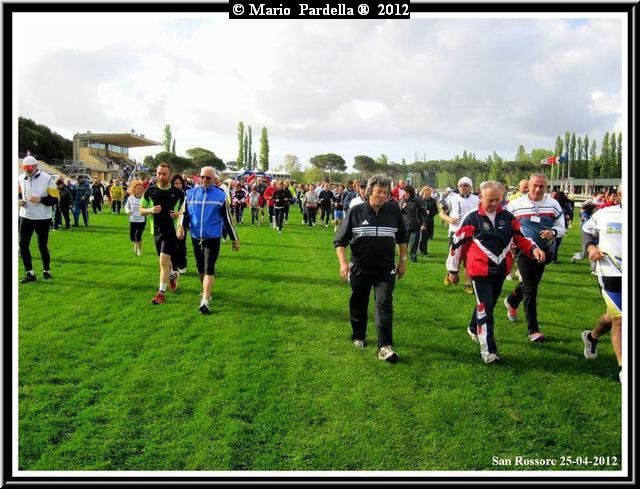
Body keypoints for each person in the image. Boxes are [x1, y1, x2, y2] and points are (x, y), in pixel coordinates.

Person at [446, 181, 545, 363]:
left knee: (488, 305)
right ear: (481, 197)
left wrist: (533, 249)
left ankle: (473, 328)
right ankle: (489, 352)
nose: (493, 203)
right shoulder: (472, 218)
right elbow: (457, 244)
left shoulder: (507, 217)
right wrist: (453, 270)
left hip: (500, 271)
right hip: (479, 271)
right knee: (486, 310)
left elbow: (520, 238)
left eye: (497, 200)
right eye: (489, 200)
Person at [334, 174, 408, 362]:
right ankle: (358, 335)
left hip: (385, 270)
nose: (382, 196)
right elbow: (340, 241)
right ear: (369, 192)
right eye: (379, 192)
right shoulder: (356, 211)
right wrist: (343, 263)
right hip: (360, 269)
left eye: (385, 192)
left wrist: (403, 260)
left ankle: (385, 346)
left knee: (384, 304)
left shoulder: (394, 211)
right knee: (358, 303)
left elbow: (402, 239)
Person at [504, 173, 566, 342]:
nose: (538, 189)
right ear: (528, 186)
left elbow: (561, 227)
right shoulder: (515, 205)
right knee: (531, 290)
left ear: (546, 187)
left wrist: (553, 232)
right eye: (535, 186)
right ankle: (533, 330)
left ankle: (511, 301)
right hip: (524, 252)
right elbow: (504, 224)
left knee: (529, 284)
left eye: (542, 186)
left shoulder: (553, 204)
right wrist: (511, 241)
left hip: (544, 251)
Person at [177, 166, 239, 314]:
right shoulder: (190, 194)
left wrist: (234, 239)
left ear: (214, 179)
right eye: (202, 177)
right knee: (200, 268)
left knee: (209, 268)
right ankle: (205, 291)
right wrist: (181, 227)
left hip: (213, 238)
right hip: (195, 237)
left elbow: (227, 220)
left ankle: (204, 302)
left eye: (208, 177)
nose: (204, 180)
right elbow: (184, 214)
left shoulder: (220, 196)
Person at [580, 185, 623, 382]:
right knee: (620, 319)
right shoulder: (605, 214)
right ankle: (624, 369)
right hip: (610, 272)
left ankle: (591, 337)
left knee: (613, 316)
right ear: (620, 195)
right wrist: (591, 248)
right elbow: (586, 230)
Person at [140, 163, 185, 305]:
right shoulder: (150, 190)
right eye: (159, 173)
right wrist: (150, 210)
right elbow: (141, 210)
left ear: (169, 175)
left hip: (171, 232)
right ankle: (172, 276)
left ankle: (161, 294)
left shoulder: (178, 193)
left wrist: (177, 214)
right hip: (156, 232)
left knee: (163, 262)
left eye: (164, 174)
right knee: (164, 261)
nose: (161, 176)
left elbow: (186, 212)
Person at [18, 156, 59, 283]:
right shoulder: (20, 178)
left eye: (29, 168)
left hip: (42, 218)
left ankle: (46, 270)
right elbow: (18, 194)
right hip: (25, 216)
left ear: (36, 166)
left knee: (42, 245)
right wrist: (18, 200)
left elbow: (55, 199)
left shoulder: (48, 178)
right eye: (25, 168)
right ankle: (30, 273)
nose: (27, 171)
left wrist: (40, 199)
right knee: (22, 245)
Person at [440, 177, 480, 293]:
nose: (463, 187)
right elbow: (442, 213)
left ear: (470, 187)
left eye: (465, 185)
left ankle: (468, 284)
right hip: (455, 232)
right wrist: (450, 219)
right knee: (454, 258)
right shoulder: (452, 198)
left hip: (471, 233)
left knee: (469, 258)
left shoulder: (476, 199)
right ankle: (449, 273)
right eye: (460, 185)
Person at [400, 185, 427, 263]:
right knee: (404, 243)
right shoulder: (403, 201)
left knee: (414, 243)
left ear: (408, 193)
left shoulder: (417, 201)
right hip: (405, 226)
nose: (404, 194)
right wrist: (402, 208)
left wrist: (424, 224)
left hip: (416, 226)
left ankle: (413, 259)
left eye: (405, 192)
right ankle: (402, 258)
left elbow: (424, 213)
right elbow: (400, 213)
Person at [171, 174, 188, 273]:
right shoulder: (169, 195)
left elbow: (186, 211)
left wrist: (177, 214)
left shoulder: (185, 195)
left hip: (182, 224)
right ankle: (173, 266)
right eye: (176, 183)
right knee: (172, 246)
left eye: (180, 183)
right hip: (170, 224)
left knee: (181, 245)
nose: (178, 185)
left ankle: (182, 266)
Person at [124, 179, 146, 256]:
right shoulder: (130, 198)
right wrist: (128, 211)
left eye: (140, 188)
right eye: (137, 188)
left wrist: (147, 211)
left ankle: (139, 249)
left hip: (142, 220)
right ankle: (135, 244)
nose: (139, 190)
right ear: (134, 189)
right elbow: (126, 207)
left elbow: (148, 207)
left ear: (142, 189)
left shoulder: (144, 198)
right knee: (132, 237)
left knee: (138, 236)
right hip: (133, 220)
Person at [419, 186, 438, 256]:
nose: (427, 195)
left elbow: (436, 211)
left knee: (428, 236)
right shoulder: (419, 200)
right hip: (422, 221)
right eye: (425, 194)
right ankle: (424, 251)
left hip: (430, 221)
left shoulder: (433, 201)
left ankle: (421, 247)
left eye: (428, 194)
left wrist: (430, 212)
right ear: (423, 193)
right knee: (424, 235)